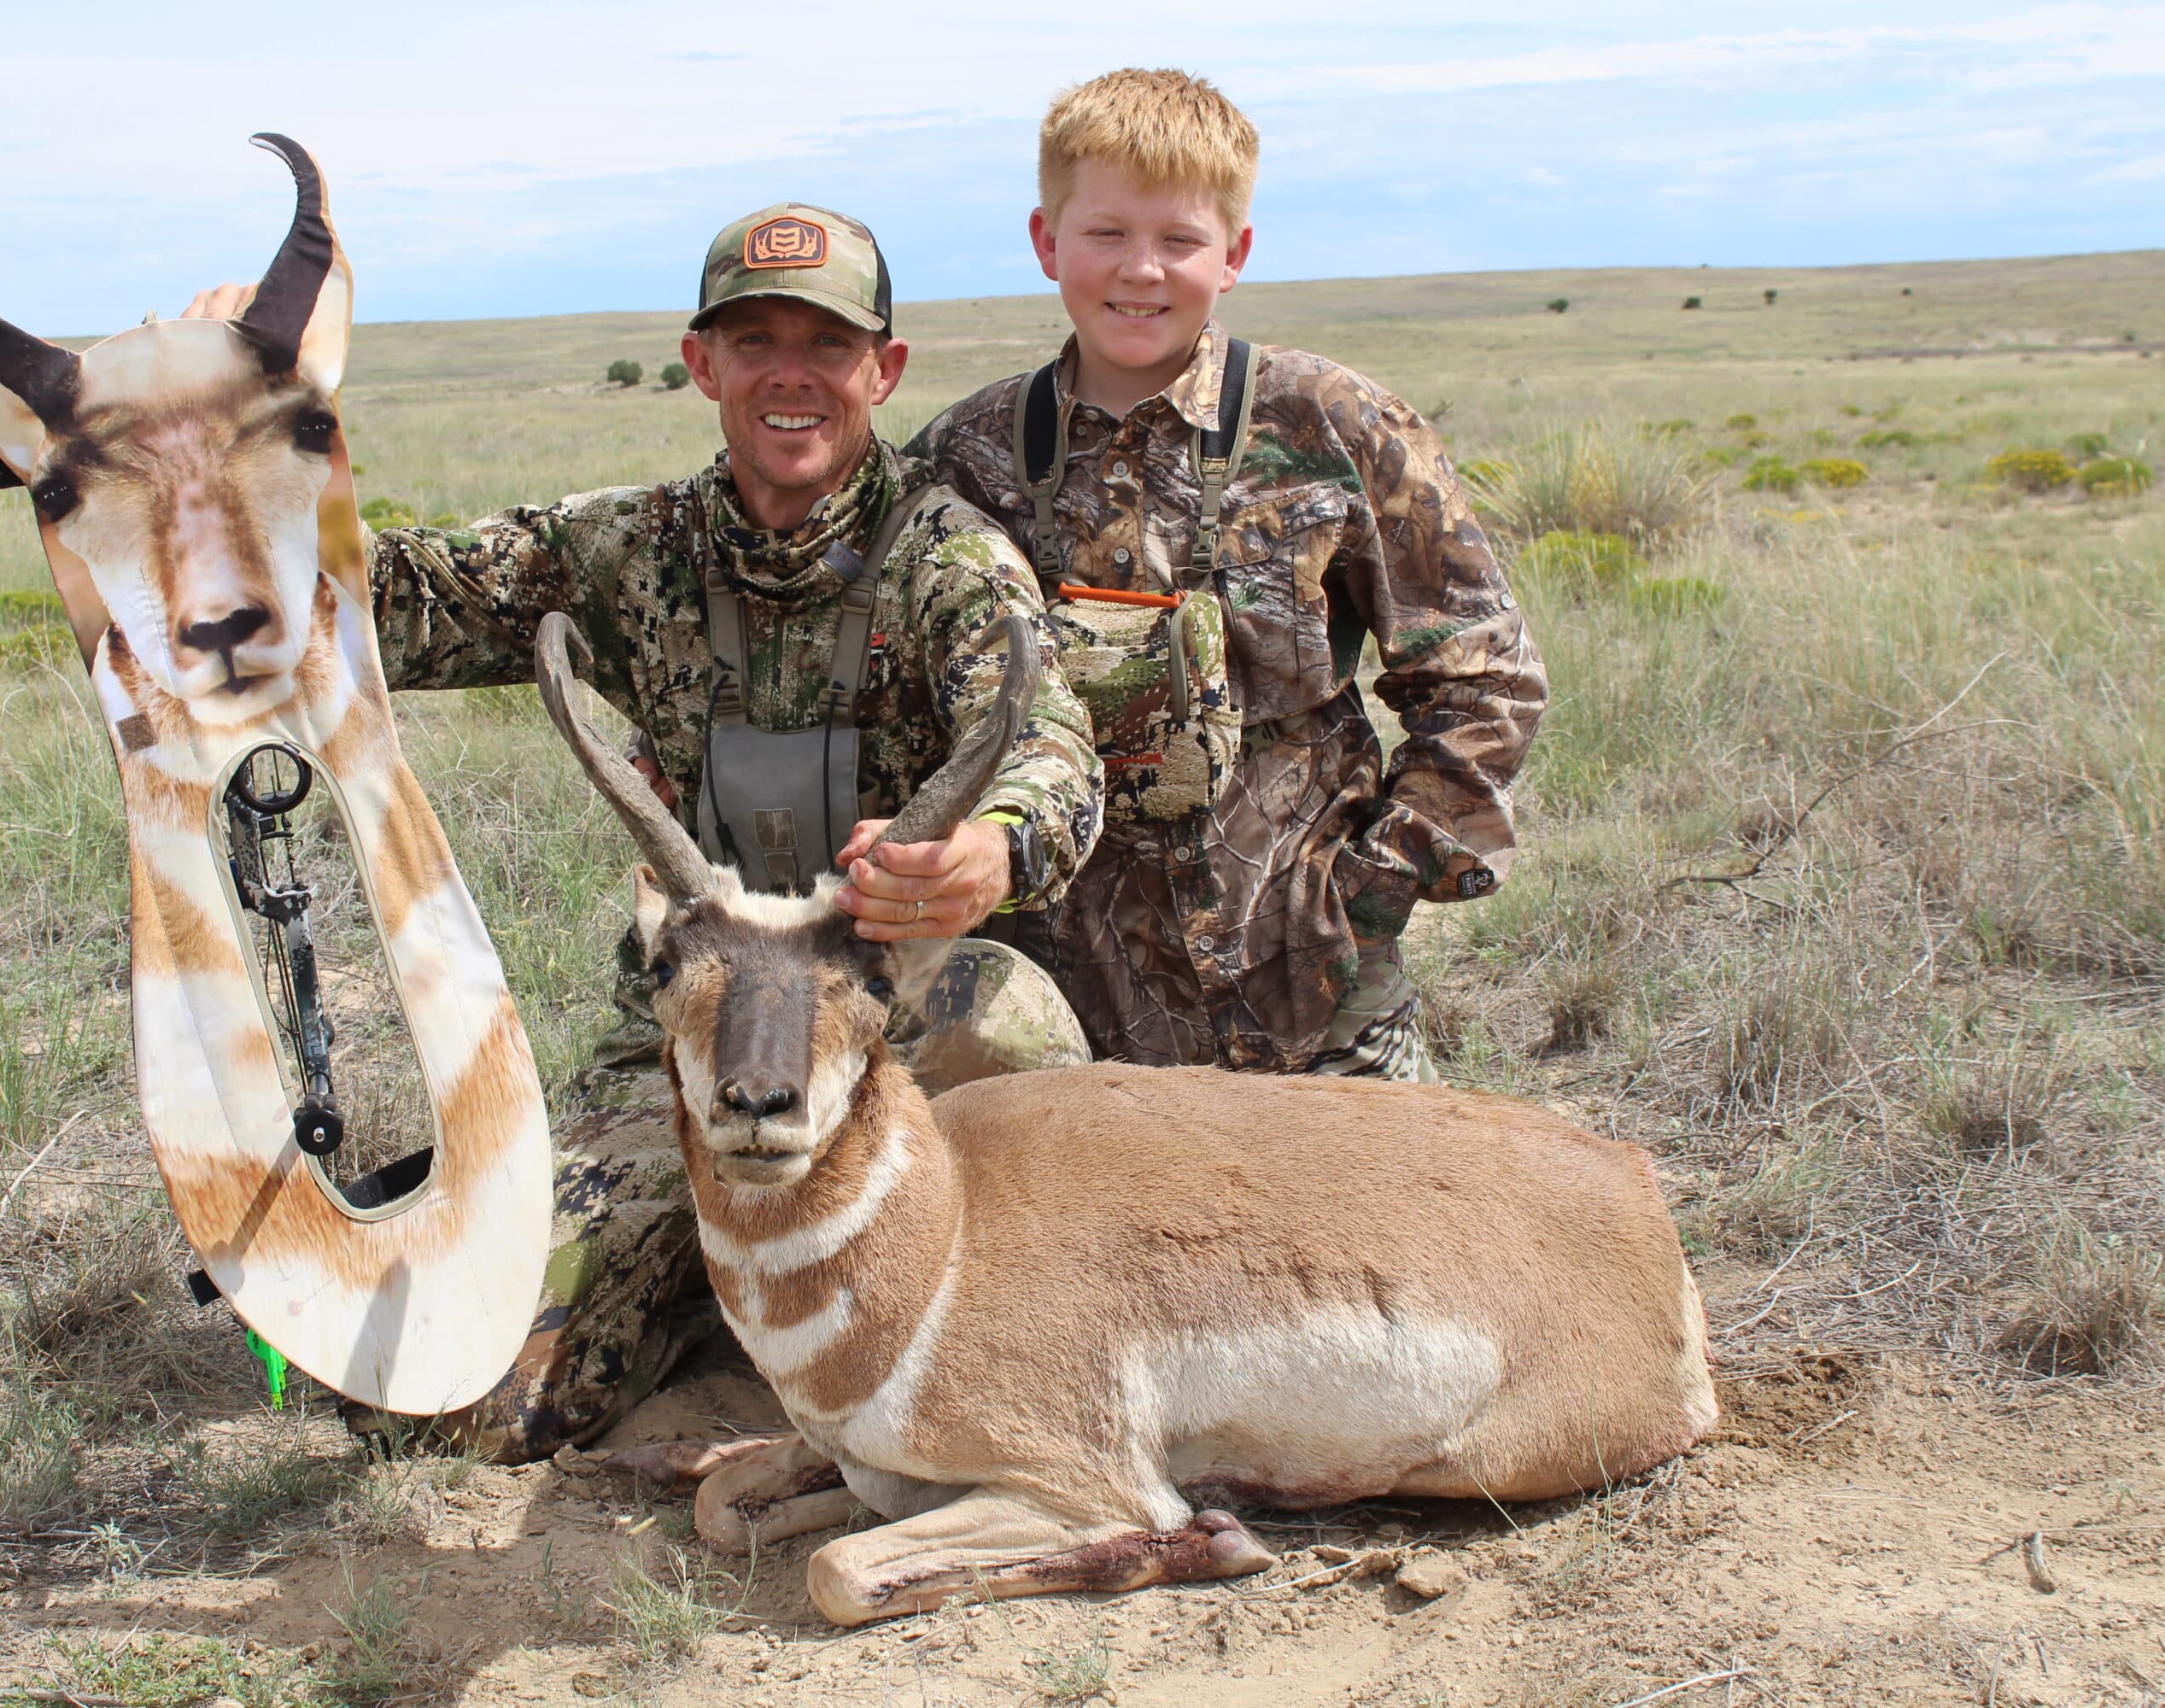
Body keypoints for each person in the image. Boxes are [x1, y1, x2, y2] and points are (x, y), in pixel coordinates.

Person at [187, 202, 1100, 1459]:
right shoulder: (626, 549)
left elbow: (1051, 742)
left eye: (827, 347)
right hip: (688, 1036)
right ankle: (704, 1276)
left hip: (884, 1014)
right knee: (482, 1410)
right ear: (702, 364)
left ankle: (970, 1327)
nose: (792, 376)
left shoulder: (948, 561)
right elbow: (362, 610)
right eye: (755, 340)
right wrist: (244, 423)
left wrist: (992, 845)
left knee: (1021, 1032)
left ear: (880, 373)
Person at [908, 68, 1547, 1081]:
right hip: (1055, 1031)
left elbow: (1486, 678)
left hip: (1313, 1006)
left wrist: (1364, 900)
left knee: (1377, 1234)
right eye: (1107, 234)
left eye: (1180, 240)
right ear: (1046, 243)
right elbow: (890, 694)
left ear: (1235, 254)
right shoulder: (964, 454)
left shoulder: (1331, 420)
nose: (1142, 271)